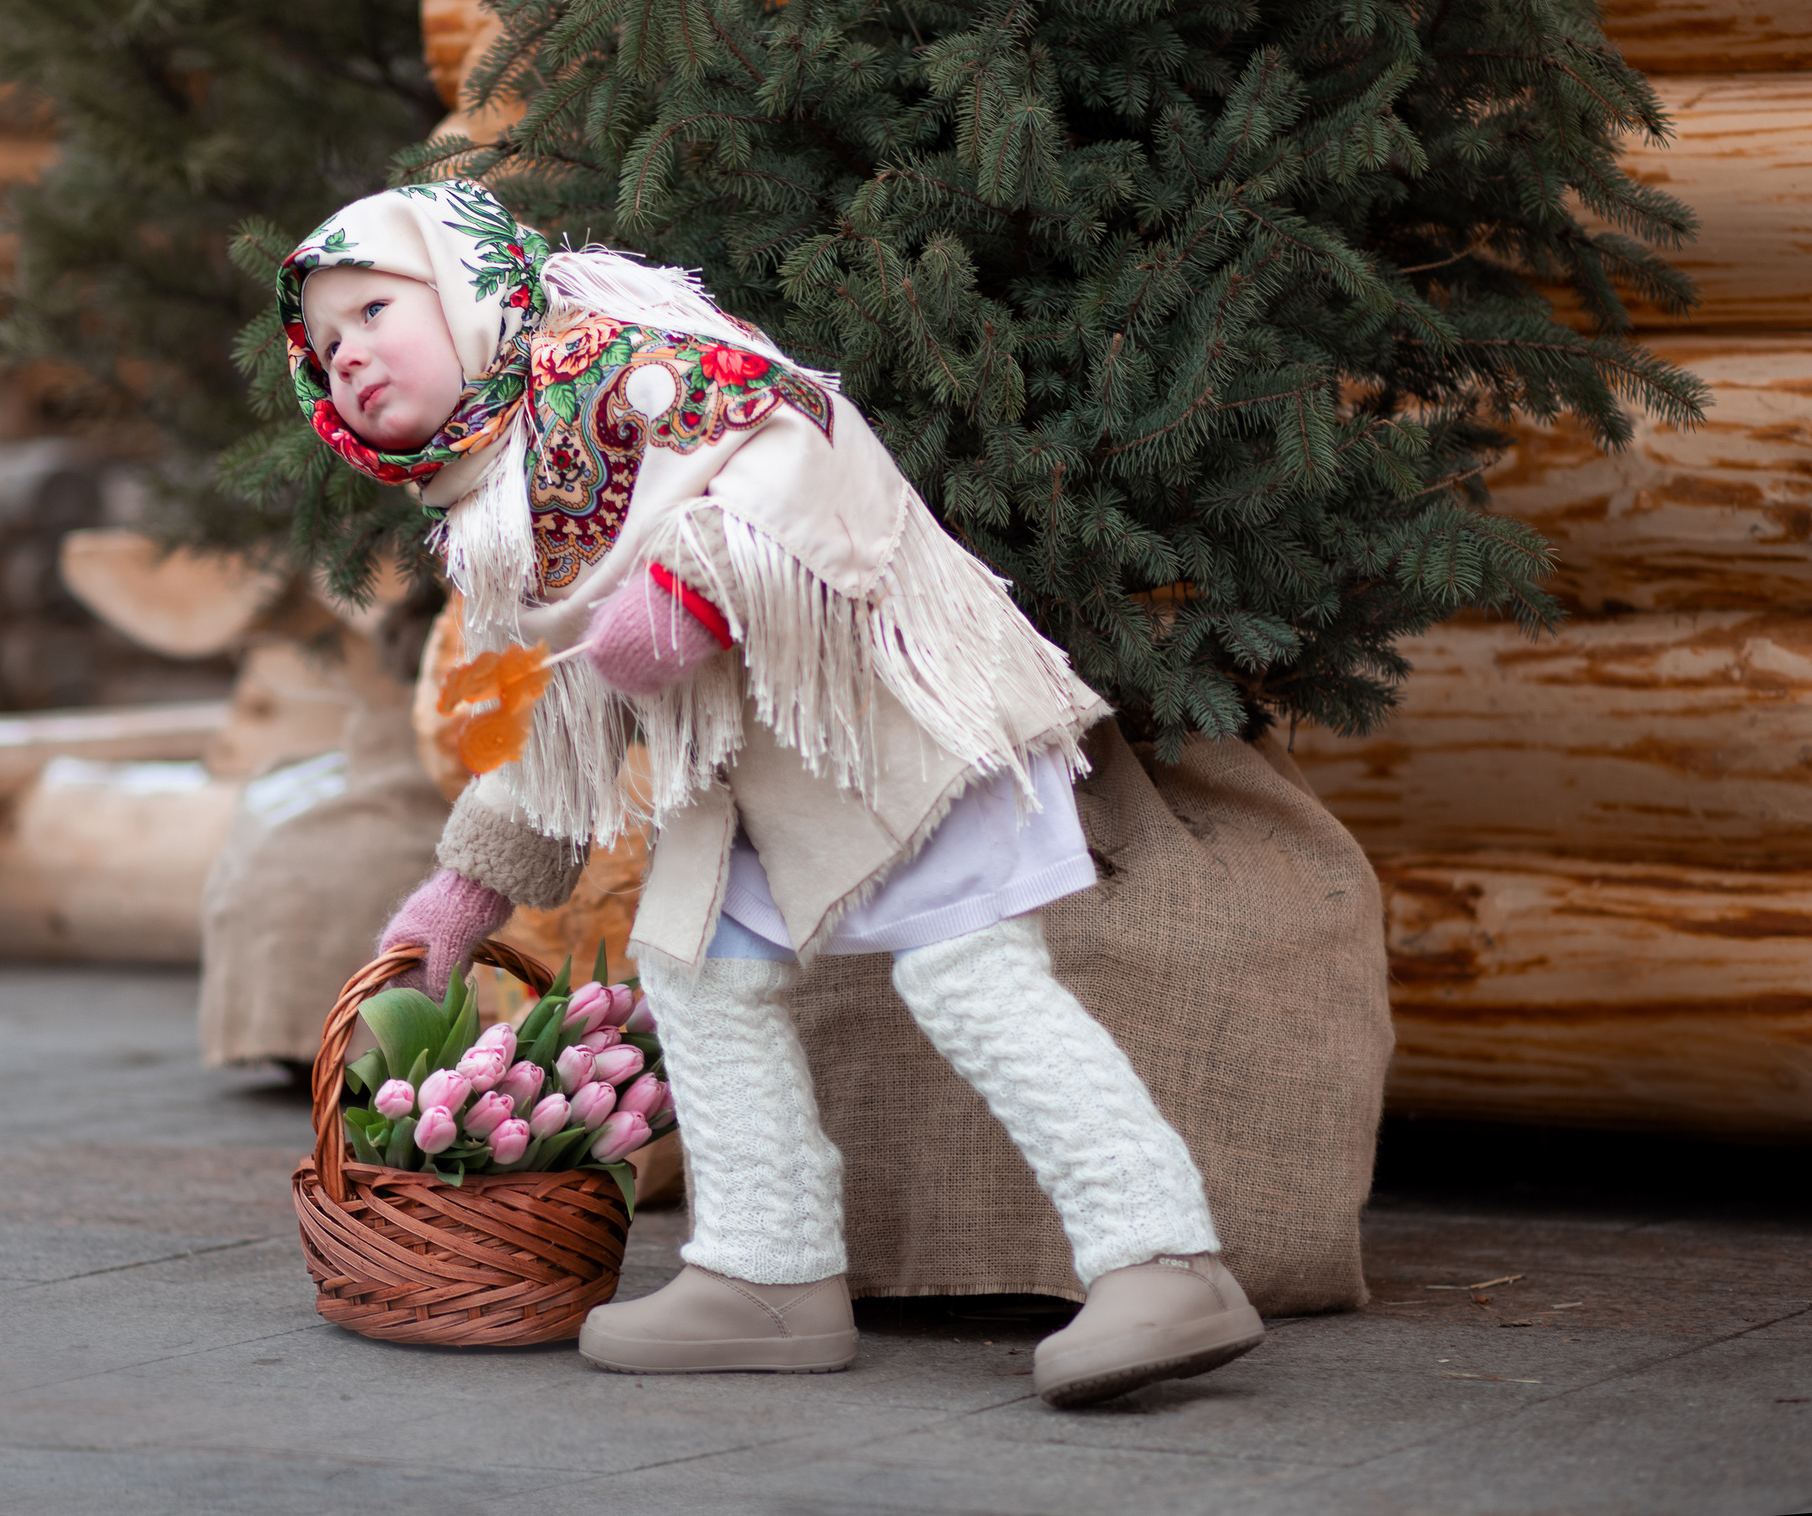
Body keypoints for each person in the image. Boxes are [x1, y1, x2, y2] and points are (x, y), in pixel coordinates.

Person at [278, 179, 1264, 1407]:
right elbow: (584, 708)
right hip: (745, 777)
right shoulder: (499, 498)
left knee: (969, 973)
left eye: (375, 306)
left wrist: (694, 585)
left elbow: (805, 440)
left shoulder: (620, 365)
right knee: (697, 978)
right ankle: (766, 1271)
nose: (352, 353)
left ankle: (1161, 1257)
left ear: (470, 281)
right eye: (326, 348)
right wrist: (467, 889)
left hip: (882, 720)